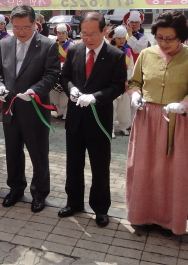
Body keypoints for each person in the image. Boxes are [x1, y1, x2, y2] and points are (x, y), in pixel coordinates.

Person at [126, 11, 188, 236]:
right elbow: (134, 82)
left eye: (169, 38)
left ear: (181, 37)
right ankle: (142, 215)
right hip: (147, 119)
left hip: (178, 121)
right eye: (159, 38)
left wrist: (184, 105)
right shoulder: (146, 54)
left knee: (173, 171)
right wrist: (135, 94)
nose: (163, 43)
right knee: (143, 168)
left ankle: (170, 220)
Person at [58, 12, 126, 227]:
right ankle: (74, 202)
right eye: (84, 34)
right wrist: (72, 90)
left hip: (99, 118)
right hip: (76, 117)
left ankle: (100, 208)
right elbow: (65, 77)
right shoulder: (75, 50)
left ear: (104, 31)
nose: (87, 39)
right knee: (73, 164)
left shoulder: (115, 55)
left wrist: (95, 97)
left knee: (100, 166)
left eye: (93, 34)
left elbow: (117, 86)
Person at [0, 4, 60, 213]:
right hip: (11, 110)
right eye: (16, 27)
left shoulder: (48, 45)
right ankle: (15, 188)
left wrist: (34, 91)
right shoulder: (4, 44)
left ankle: (40, 193)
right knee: (13, 151)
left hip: (35, 109)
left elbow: (51, 75)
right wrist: (0, 86)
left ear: (35, 25)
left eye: (26, 28)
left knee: (38, 154)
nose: (21, 32)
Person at [111, 25, 134, 137]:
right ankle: (110, 128)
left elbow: (131, 67)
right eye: (119, 38)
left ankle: (124, 127)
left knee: (124, 107)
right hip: (111, 83)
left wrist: (127, 80)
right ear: (114, 38)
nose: (121, 40)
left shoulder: (128, 51)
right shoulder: (109, 50)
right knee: (112, 106)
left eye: (123, 38)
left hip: (124, 84)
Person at [50, 23, 73, 119]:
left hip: (66, 71)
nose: (61, 35)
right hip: (56, 70)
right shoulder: (53, 45)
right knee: (55, 93)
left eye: (63, 33)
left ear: (66, 34)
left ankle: (66, 112)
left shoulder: (72, 45)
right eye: (59, 33)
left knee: (64, 93)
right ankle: (59, 110)